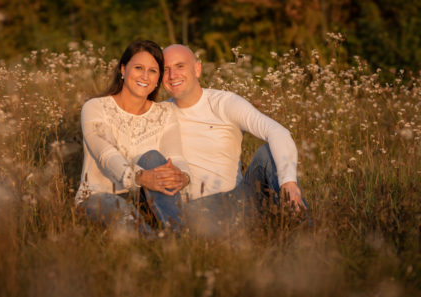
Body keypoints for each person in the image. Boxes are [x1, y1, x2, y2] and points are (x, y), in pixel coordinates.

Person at [162, 44, 306, 234]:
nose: (172, 75)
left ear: (197, 69)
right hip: (194, 207)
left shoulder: (224, 103)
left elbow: (277, 131)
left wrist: (289, 183)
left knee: (267, 153)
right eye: (165, 69)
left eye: (180, 66)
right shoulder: (160, 113)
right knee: (194, 216)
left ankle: (305, 235)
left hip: (238, 199)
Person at [75, 40, 190, 231]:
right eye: (138, 68)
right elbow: (106, 155)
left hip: (145, 198)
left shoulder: (165, 112)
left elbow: (175, 158)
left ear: (158, 78)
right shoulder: (95, 107)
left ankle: (177, 235)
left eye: (152, 71)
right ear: (123, 69)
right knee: (122, 210)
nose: (145, 76)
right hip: (98, 197)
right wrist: (139, 177)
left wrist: (183, 177)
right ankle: (156, 246)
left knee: (153, 157)